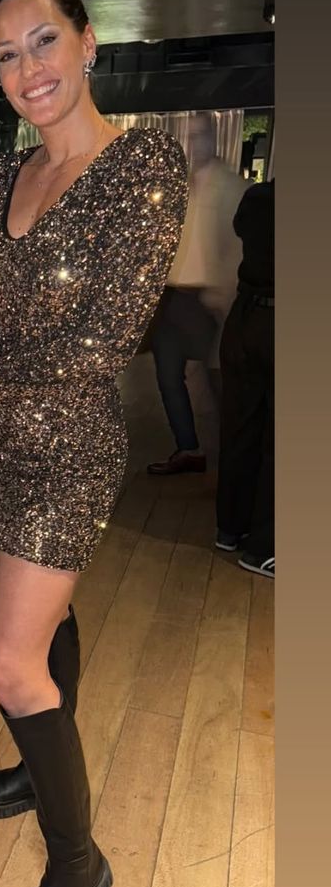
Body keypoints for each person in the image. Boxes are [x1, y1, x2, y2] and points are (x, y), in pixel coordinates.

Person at [0, 0, 189, 887]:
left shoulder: (142, 164)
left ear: (86, 43)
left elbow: (104, 341)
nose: (27, 67)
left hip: (70, 447)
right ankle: (41, 770)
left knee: (6, 662)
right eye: (6, 53)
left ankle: (78, 867)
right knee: (46, 626)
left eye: (43, 41)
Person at [147, 111, 247, 475]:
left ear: (215, 137)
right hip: (175, 296)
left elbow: (238, 249)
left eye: (201, 135)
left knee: (218, 383)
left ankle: (236, 455)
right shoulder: (181, 187)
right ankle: (189, 448)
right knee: (167, 374)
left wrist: (223, 295)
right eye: (190, 136)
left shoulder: (232, 188)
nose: (194, 143)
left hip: (208, 299)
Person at [215, 176, 275, 578]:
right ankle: (266, 547)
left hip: (244, 317)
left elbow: (242, 231)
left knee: (241, 426)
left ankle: (231, 527)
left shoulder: (258, 197)